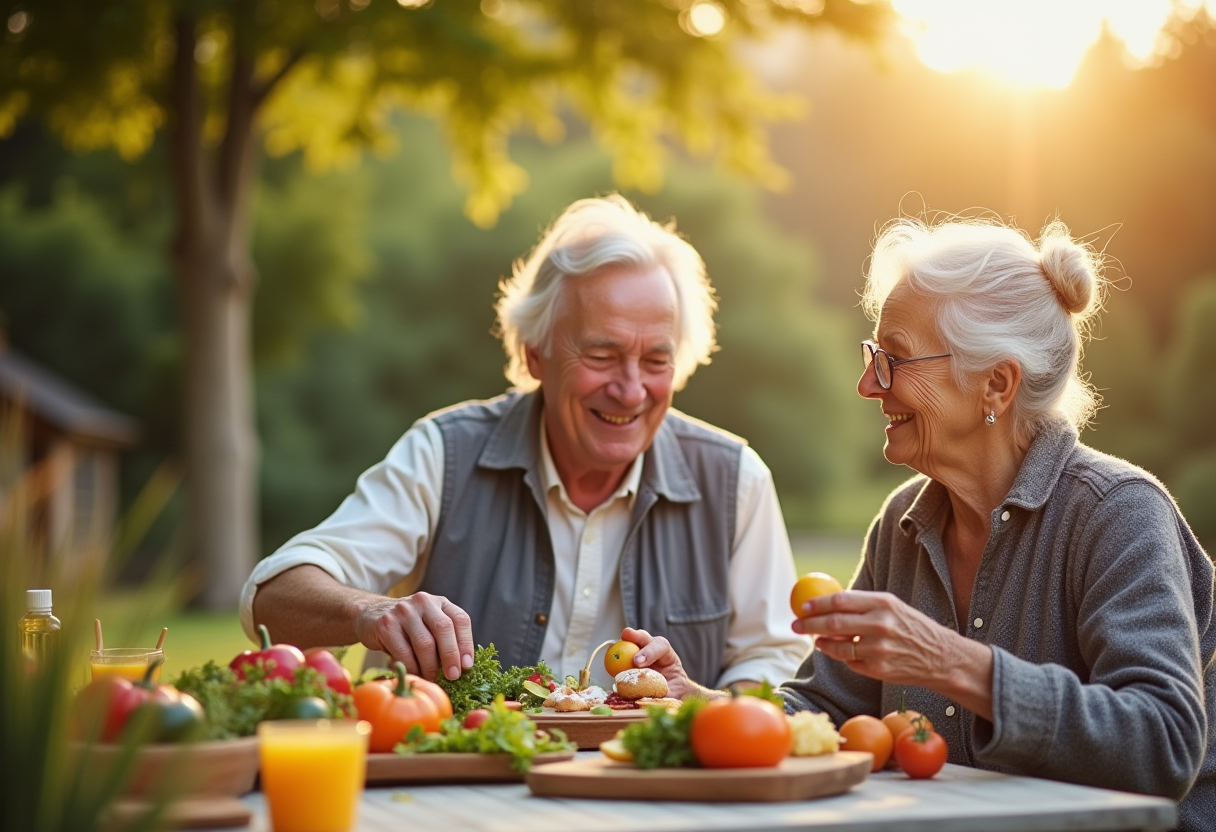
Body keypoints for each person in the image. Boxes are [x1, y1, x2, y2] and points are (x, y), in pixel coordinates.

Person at [642, 216, 1214, 829]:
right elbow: (828, 709)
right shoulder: (903, 522)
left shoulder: (1118, 513)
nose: (867, 384)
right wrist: (698, 705)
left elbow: (1163, 743)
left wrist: (952, 663)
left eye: (895, 359)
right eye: (874, 355)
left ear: (996, 384)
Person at [240, 194, 808, 691]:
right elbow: (273, 595)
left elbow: (776, 661)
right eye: (602, 355)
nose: (631, 389)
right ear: (536, 354)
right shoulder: (443, 455)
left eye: (656, 360)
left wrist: (701, 705)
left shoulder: (737, 480)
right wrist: (370, 612)